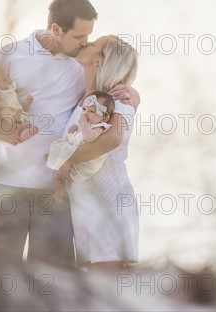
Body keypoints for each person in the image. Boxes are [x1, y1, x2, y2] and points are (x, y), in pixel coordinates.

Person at [0, 0, 140, 268]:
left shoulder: (83, 64)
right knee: (0, 273)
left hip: (55, 191)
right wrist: (1, 130)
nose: (85, 44)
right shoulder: (11, 54)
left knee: (52, 280)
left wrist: (133, 94)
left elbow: (107, 86)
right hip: (6, 184)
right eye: (79, 37)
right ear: (56, 29)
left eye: (88, 37)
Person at [61, 35, 140, 272]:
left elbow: (113, 139)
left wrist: (67, 159)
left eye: (94, 44)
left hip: (108, 206)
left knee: (108, 296)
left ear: (99, 61)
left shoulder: (117, 101)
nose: (87, 43)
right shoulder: (85, 102)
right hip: (87, 208)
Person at [45, 91, 115, 203]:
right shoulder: (87, 123)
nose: (85, 114)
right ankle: (58, 194)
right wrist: (74, 128)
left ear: (104, 119)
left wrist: (82, 124)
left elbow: (88, 137)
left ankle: (56, 161)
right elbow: (78, 134)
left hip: (81, 167)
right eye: (84, 109)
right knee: (56, 173)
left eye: (92, 111)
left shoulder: (99, 128)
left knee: (59, 169)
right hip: (74, 156)